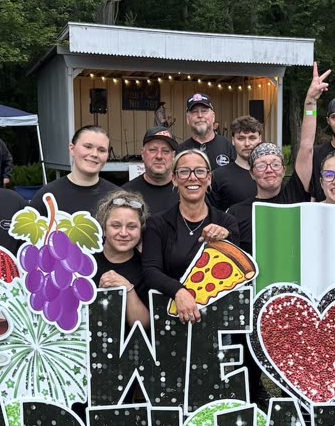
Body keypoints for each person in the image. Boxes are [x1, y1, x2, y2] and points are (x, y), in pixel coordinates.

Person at [227, 67, 328, 249]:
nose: (269, 170)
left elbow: (306, 147)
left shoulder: (294, 196)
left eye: (275, 164)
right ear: (251, 173)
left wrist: (310, 103)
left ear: (283, 169)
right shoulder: (236, 213)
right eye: (261, 166)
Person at [141, 150, 238, 324]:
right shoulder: (157, 223)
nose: (192, 178)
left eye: (200, 171)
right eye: (184, 171)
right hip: (171, 318)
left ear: (209, 178)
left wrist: (226, 238)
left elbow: (236, 269)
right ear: (174, 179)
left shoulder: (226, 222)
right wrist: (179, 291)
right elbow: (150, 271)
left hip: (217, 320)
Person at [31, 126, 118, 218]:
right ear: (72, 149)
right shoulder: (47, 196)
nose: (94, 154)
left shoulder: (117, 198)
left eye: (101, 150)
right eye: (88, 147)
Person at [94, 190, 150, 328]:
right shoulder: (86, 264)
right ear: (104, 228)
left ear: (141, 230)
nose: (123, 233)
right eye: (116, 226)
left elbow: (143, 325)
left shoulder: (148, 268)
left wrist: (128, 288)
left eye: (132, 227)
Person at [125, 126, 180, 216]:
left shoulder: (186, 191)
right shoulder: (127, 194)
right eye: (153, 150)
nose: (159, 156)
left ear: (173, 156)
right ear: (142, 153)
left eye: (165, 151)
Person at [211, 116, 263, 209]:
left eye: (252, 138)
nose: (247, 144)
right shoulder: (218, 176)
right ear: (233, 140)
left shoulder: (271, 174)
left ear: (260, 139)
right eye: (241, 138)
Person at [178, 93, 236, 169]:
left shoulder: (230, 147)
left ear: (213, 117)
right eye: (194, 112)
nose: (200, 115)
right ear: (188, 119)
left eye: (204, 111)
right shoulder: (180, 151)